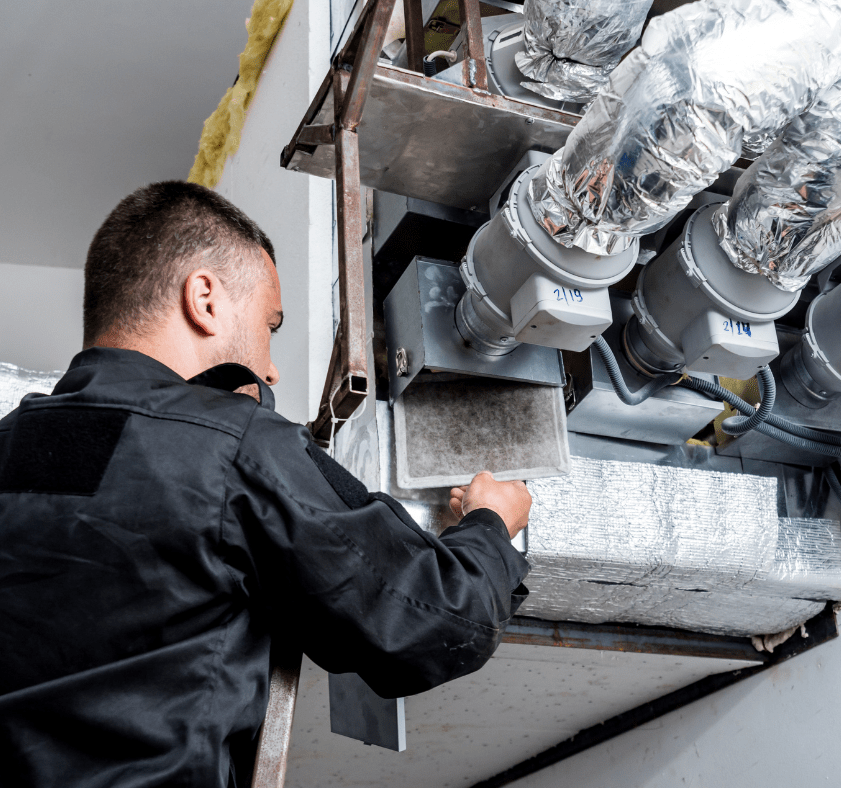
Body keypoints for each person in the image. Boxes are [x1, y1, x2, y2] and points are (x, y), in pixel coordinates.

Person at [0, 181, 532, 787]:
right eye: (269, 325)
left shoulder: (8, 444)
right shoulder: (231, 443)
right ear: (205, 299)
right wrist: (491, 528)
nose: (271, 367)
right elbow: (433, 618)